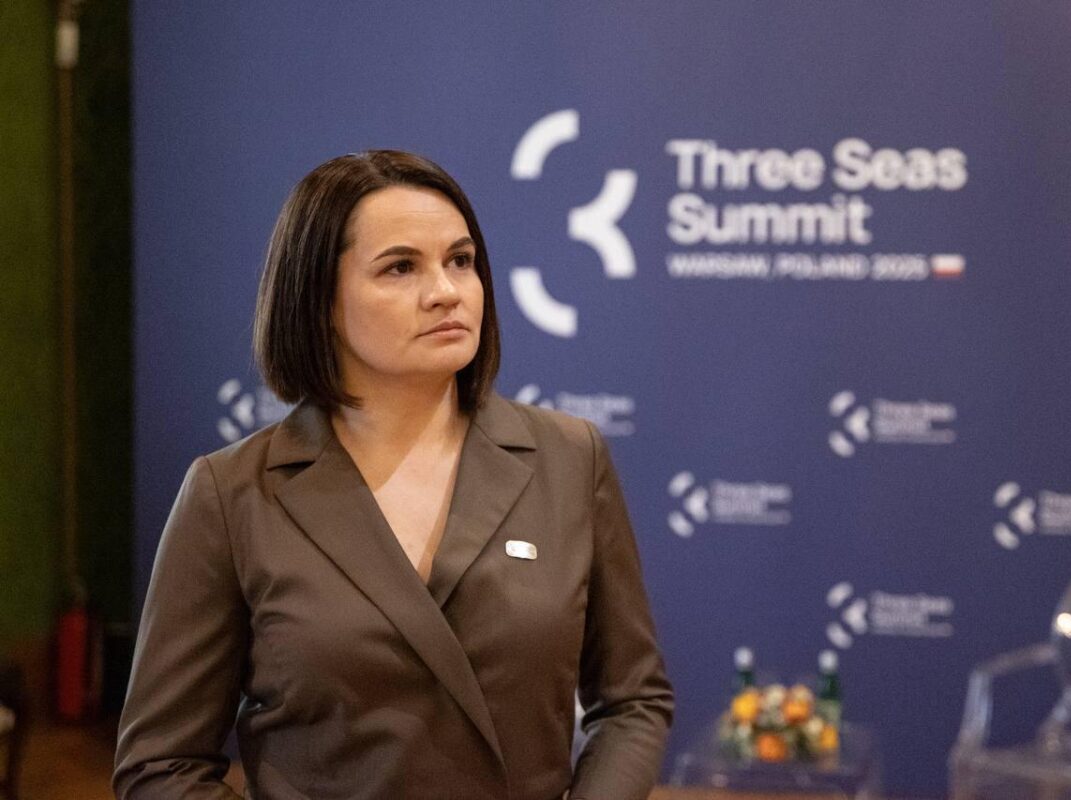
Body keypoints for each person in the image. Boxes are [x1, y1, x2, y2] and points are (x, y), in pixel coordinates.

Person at [113, 151, 673, 800]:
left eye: (460, 260)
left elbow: (633, 702)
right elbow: (161, 766)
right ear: (319, 300)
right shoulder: (231, 493)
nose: (446, 291)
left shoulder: (570, 457)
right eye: (401, 267)